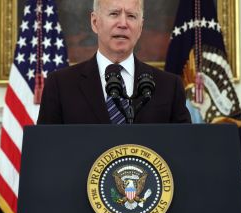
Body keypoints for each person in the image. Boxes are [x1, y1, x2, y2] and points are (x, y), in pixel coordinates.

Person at [37, 0, 191, 124]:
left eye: (131, 16)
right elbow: (47, 151)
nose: (123, 23)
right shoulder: (60, 84)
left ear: (140, 27)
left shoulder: (170, 86)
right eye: (114, 14)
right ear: (95, 22)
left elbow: (183, 151)